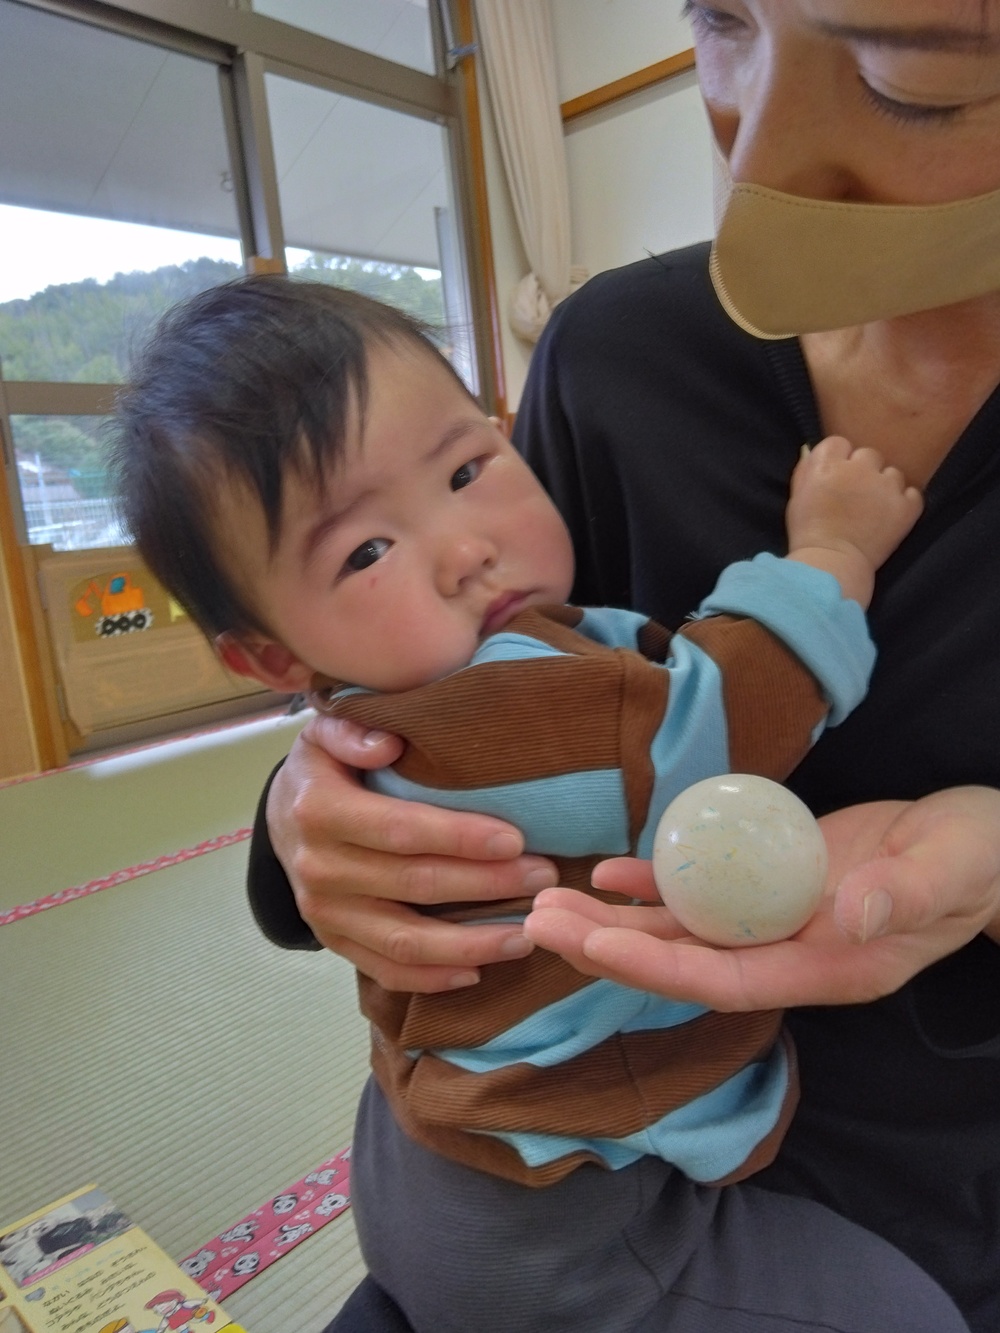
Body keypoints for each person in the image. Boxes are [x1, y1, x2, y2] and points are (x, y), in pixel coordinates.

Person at [248, 1, 1000, 1330]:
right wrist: (313, 806)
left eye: (911, 75)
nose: (753, 139)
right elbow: (493, 699)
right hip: (559, 1160)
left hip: (917, 1195)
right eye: (721, 19)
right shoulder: (619, 359)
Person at [112, 276, 947, 1331]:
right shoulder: (489, 706)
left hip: (428, 1147)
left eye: (466, 469)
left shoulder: (383, 701)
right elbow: (719, 711)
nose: (465, 549)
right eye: (366, 550)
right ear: (274, 653)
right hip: (565, 1217)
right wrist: (832, 552)